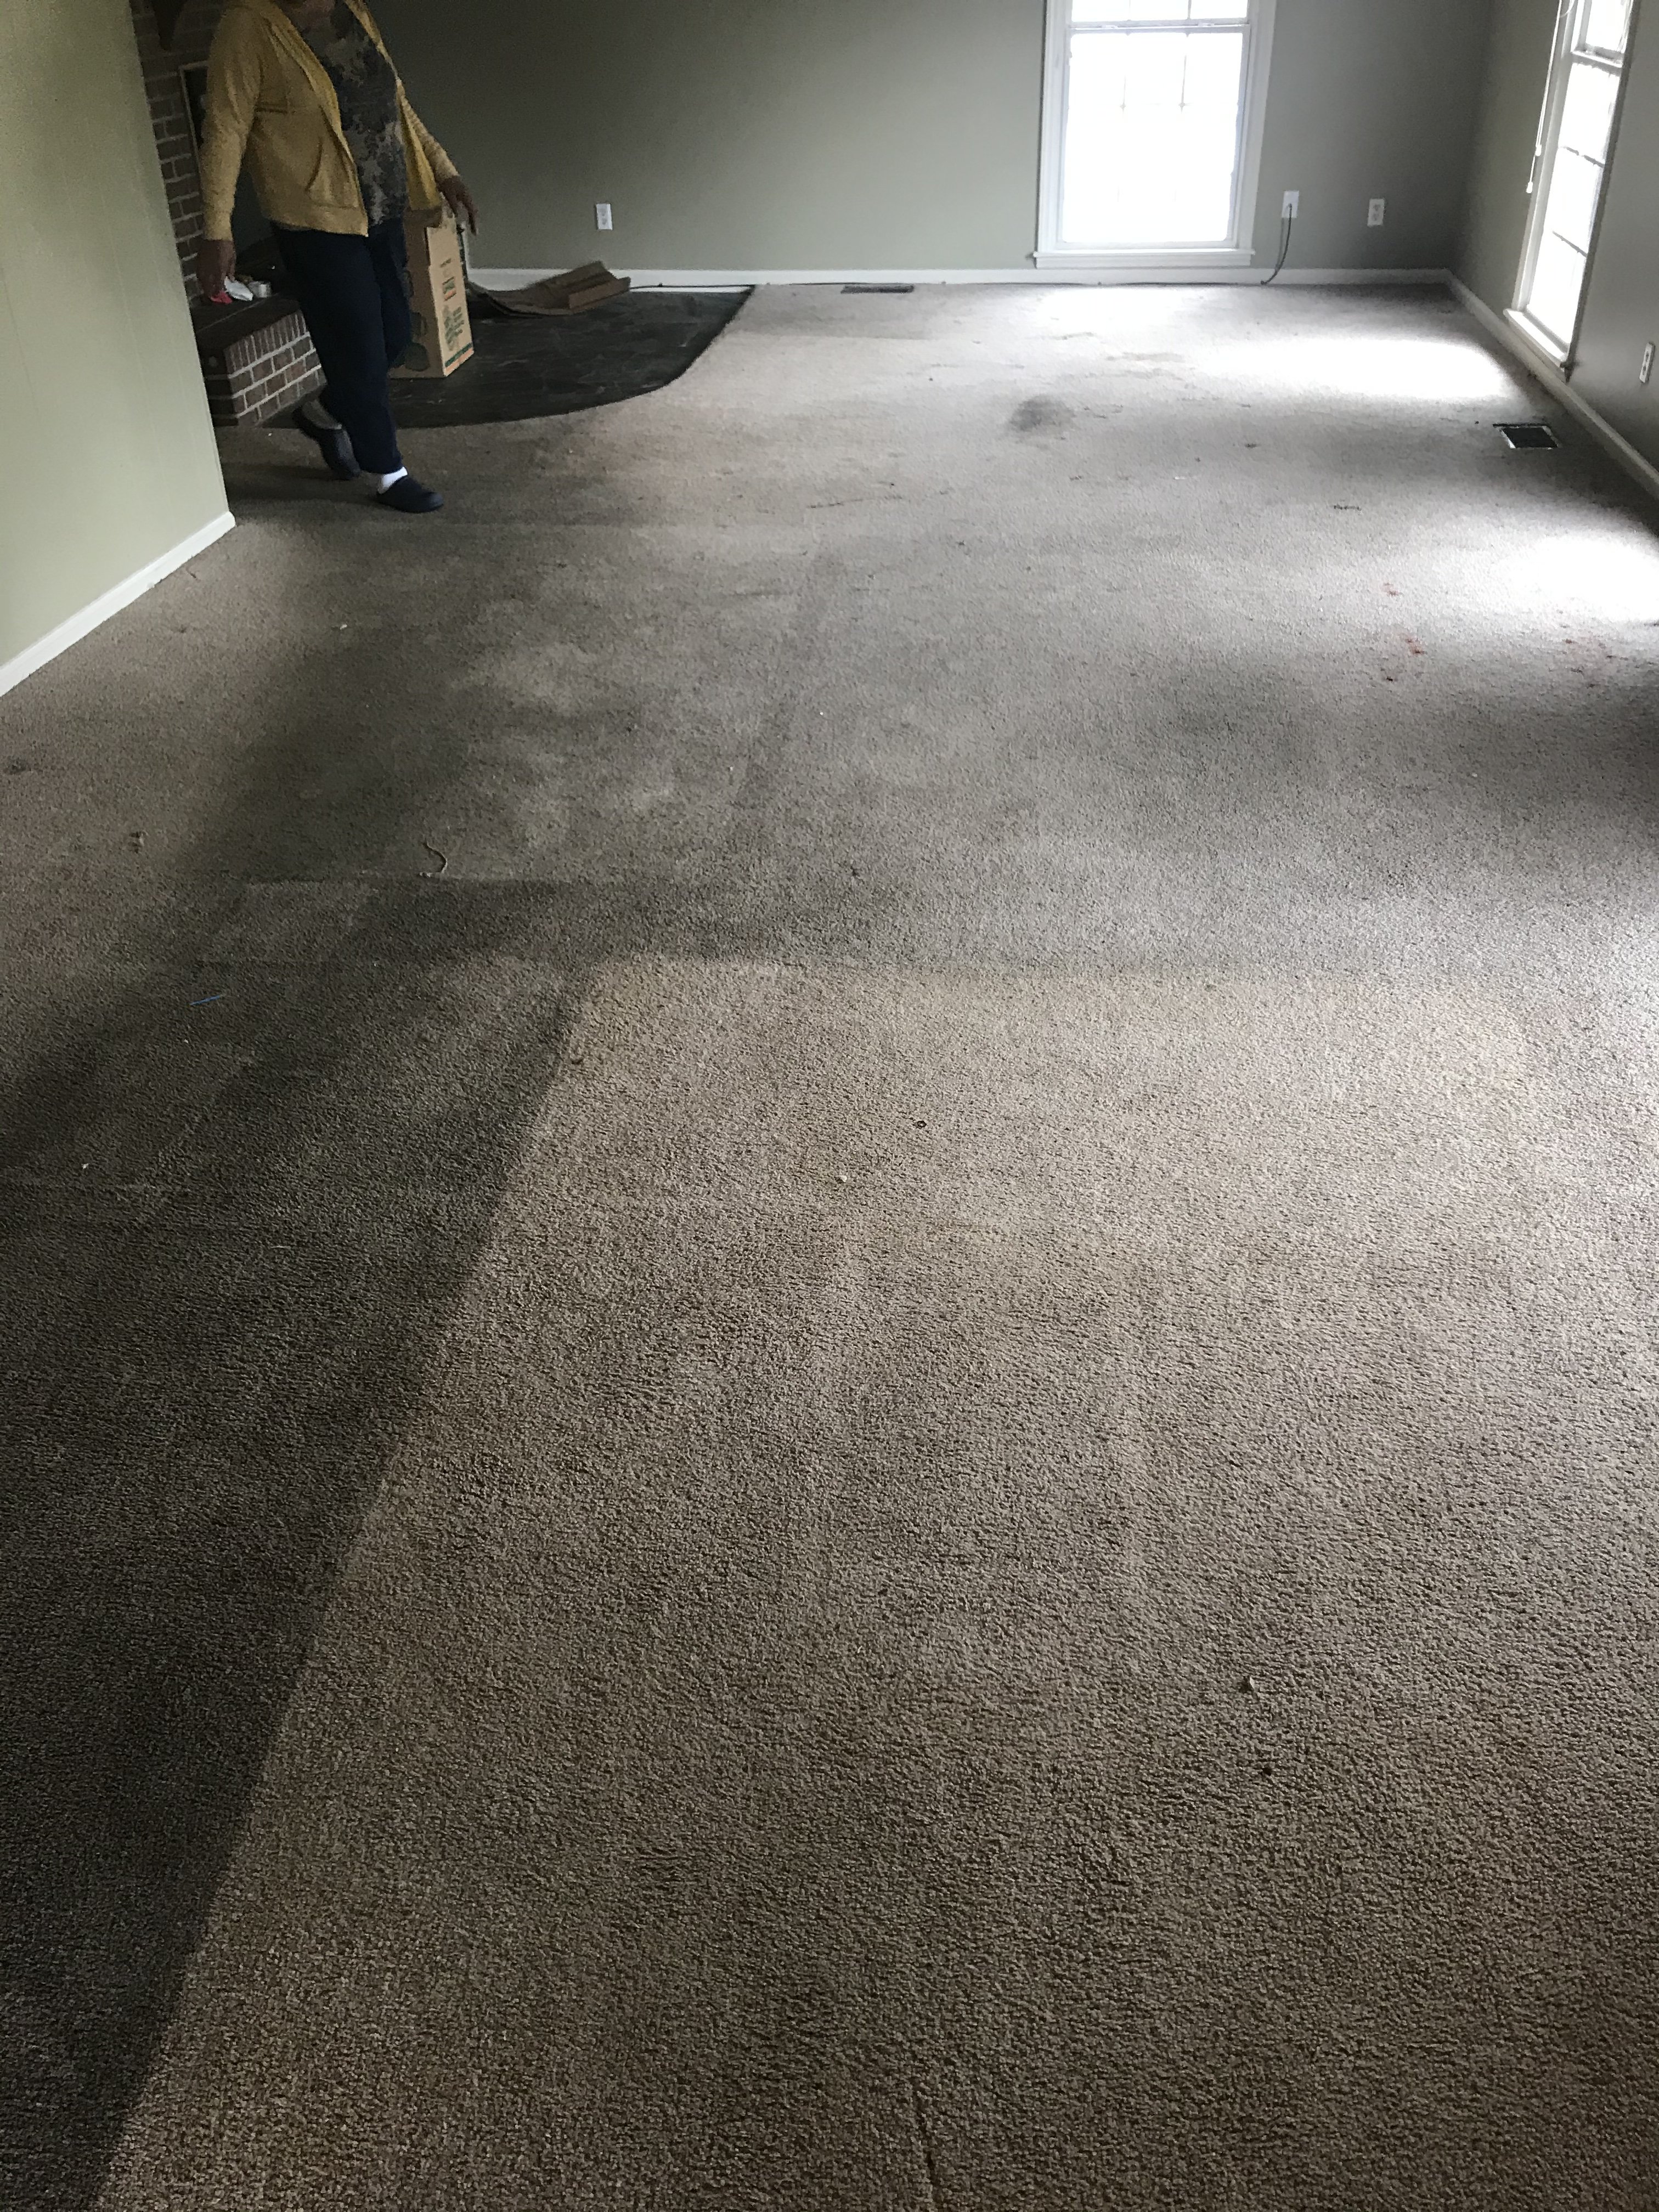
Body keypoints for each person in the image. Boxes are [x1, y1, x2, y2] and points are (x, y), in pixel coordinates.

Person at [196, 0, 480, 515]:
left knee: (396, 335)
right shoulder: (248, 26)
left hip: (383, 206)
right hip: (315, 220)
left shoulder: (353, 10)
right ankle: (388, 472)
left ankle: (326, 413)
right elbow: (225, 127)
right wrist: (217, 230)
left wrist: (444, 170)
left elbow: (394, 100)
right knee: (359, 348)